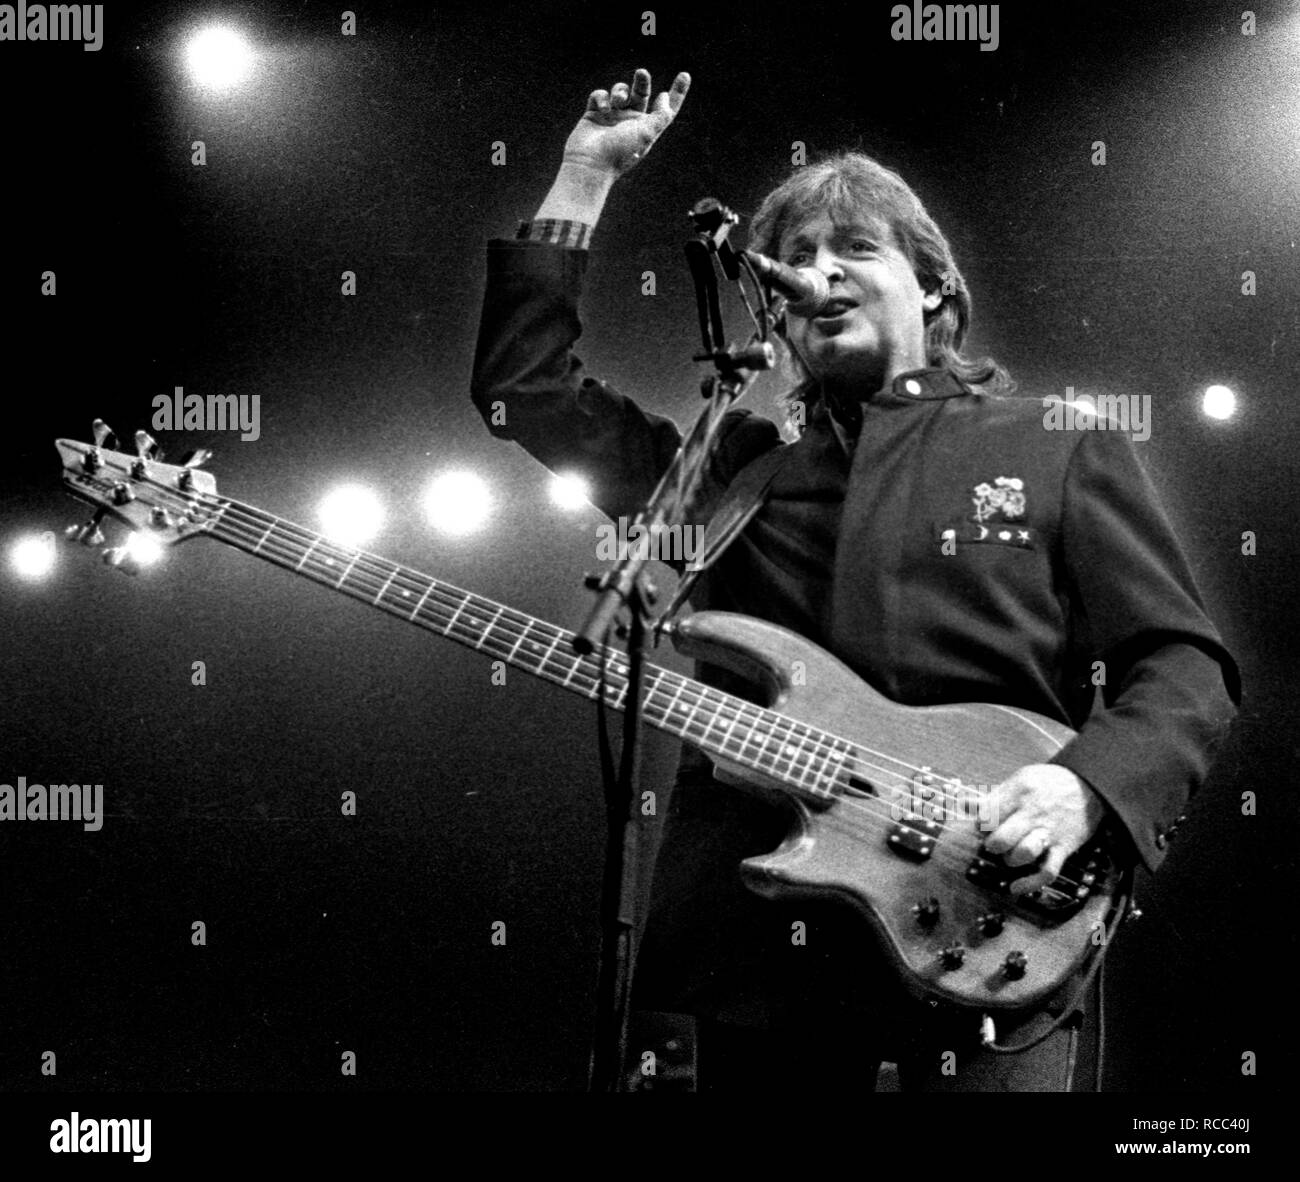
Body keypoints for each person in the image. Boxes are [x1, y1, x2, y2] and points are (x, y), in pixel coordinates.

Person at [470, 68, 1240, 1091]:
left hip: (993, 923)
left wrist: (1082, 789)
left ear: (932, 288)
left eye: (853, 250)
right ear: (773, 318)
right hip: (762, 956)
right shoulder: (733, 464)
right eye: (792, 261)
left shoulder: (1054, 443)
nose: (816, 272)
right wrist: (580, 177)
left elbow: (1180, 664)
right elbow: (527, 395)